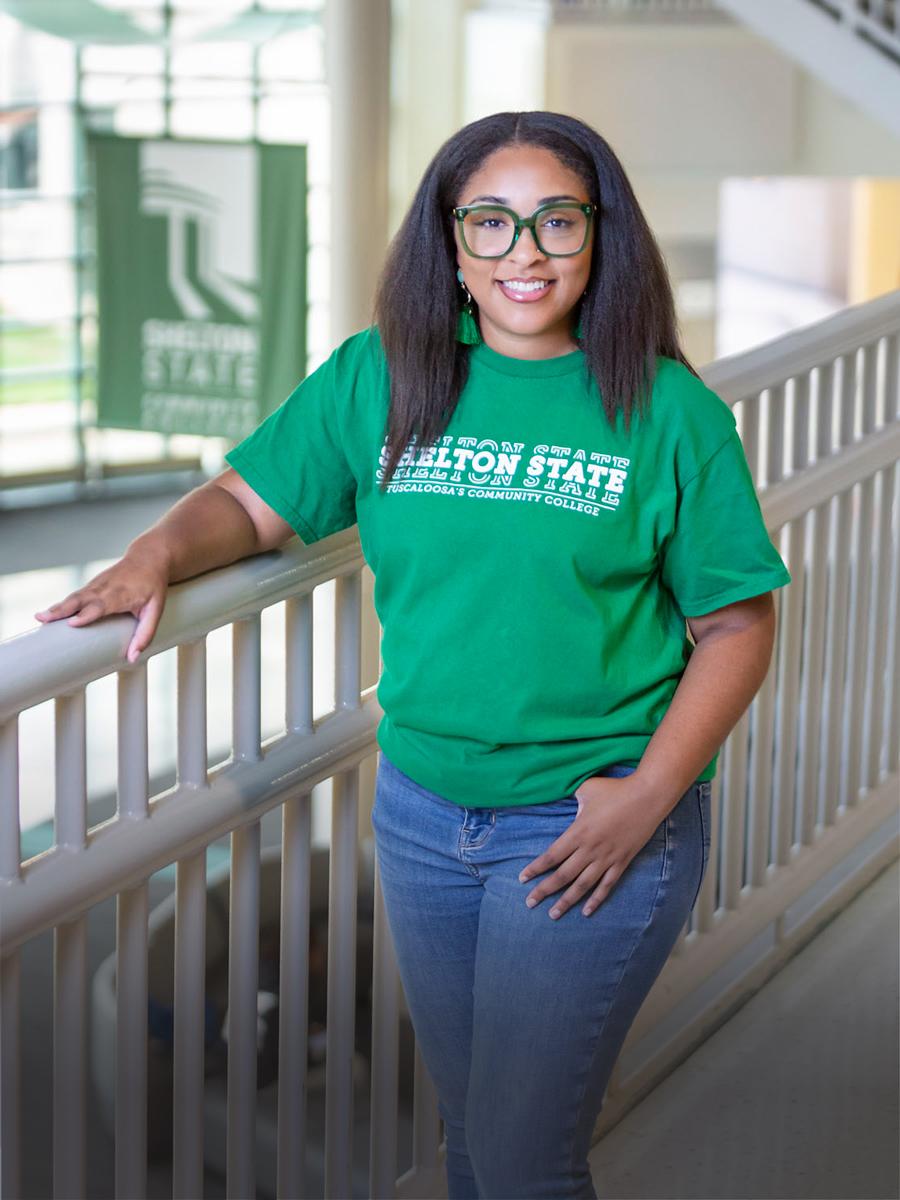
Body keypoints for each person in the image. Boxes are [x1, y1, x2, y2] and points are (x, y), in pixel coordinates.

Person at [35, 110, 791, 1199]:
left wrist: (647, 796)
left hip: (590, 818)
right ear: (450, 244)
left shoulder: (669, 414)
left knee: (527, 1162)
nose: (523, 254)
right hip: (426, 813)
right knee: (473, 1139)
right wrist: (157, 551)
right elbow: (249, 505)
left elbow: (738, 623)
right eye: (491, 223)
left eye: (555, 223)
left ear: (600, 238)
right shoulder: (383, 376)